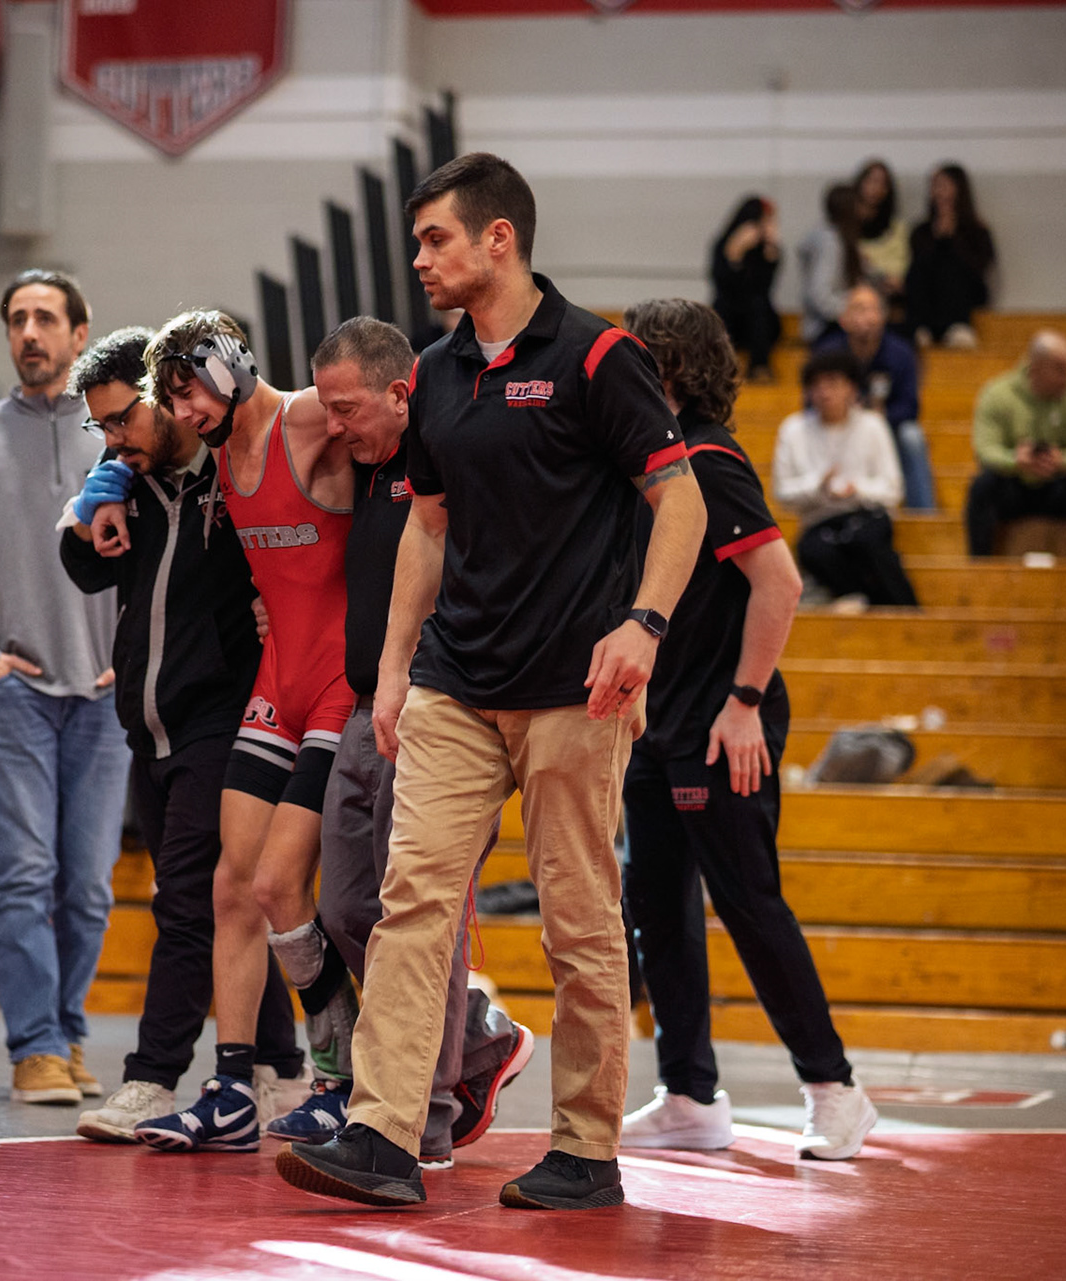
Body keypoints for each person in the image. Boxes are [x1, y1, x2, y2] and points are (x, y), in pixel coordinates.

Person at [277, 152, 707, 1211]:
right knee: (410, 901)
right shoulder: (434, 374)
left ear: (498, 239)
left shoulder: (599, 356)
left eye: (436, 239)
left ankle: (587, 1150)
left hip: (577, 691)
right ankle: (384, 1133)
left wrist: (645, 624)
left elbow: (683, 502)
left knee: (579, 919)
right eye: (418, 242)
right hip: (455, 685)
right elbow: (426, 526)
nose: (420, 260)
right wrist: (392, 671)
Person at [617, 298, 877, 1162]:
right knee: (658, 908)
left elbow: (781, 582)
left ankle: (834, 1089)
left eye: (635, 355)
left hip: (721, 721)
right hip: (659, 726)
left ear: (670, 368)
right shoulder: (650, 463)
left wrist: (745, 701)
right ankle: (689, 1096)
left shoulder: (709, 461)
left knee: (747, 901)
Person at [58, 327, 308, 1142]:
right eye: (100, 426)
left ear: (166, 400)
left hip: (223, 721)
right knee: (228, 902)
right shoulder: (127, 484)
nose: (114, 438)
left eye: (122, 419)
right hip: (150, 727)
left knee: (190, 903)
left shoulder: (232, 474)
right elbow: (85, 568)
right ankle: (283, 1069)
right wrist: (90, 504)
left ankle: (153, 1078)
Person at [128, 308, 362, 1153]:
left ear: (229, 366)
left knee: (278, 885)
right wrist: (99, 493)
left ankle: (341, 1075)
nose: (183, 412)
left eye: (188, 391)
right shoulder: (223, 455)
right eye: (172, 400)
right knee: (231, 886)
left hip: (337, 685)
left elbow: (403, 431)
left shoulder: (314, 419)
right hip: (277, 682)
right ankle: (231, 1088)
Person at [304, 316, 535, 1171]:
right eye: (327, 408)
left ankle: (424, 1114)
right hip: (367, 705)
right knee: (346, 908)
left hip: (440, 711)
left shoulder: (451, 461)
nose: (334, 426)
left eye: (347, 409)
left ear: (403, 395)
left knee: (418, 915)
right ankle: (477, 1039)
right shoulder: (364, 465)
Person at [0, 269, 130, 1105]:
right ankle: (35, 1045)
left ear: (80, 333)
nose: (30, 332)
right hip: (13, 696)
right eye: (17, 319)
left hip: (106, 699)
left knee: (88, 886)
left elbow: (155, 555)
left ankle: (68, 1032)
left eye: (45, 318)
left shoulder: (117, 431)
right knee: (24, 873)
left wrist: (135, 656)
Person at [773, 349, 919, 608]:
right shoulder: (793, 429)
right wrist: (818, 487)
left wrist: (857, 490)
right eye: (816, 385)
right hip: (819, 520)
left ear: (852, 388)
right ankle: (872, 602)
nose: (824, 393)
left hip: (866, 514)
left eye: (832, 383)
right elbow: (782, 492)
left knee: (868, 543)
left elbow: (893, 489)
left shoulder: (873, 425)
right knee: (813, 550)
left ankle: (895, 608)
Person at [965, 330, 1066, 560]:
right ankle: (978, 568)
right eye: (1060, 369)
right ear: (1037, 366)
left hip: (1058, 485)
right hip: (1013, 485)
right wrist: (1015, 460)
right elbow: (985, 450)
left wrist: (1062, 461)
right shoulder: (997, 394)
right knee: (982, 486)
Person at [814, 283, 936, 511]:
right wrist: (843, 413)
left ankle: (923, 515)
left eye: (872, 310)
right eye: (858, 309)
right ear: (843, 319)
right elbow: (811, 400)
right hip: (838, 425)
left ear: (882, 317)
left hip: (888, 425)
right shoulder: (827, 353)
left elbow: (911, 406)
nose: (866, 317)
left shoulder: (902, 352)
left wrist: (880, 416)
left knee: (912, 436)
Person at [904, 162, 995, 350]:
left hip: (962, 308)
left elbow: (979, 268)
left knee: (951, 272)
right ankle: (922, 330)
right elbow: (917, 271)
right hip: (925, 310)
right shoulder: (921, 232)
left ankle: (956, 328)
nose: (940, 192)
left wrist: (952, 239)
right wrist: (939, 238)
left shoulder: (976, 231)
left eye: (945, 185)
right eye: (935, 186)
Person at [709, 197, 782, 383]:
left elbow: (764, 288)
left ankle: (759, 367)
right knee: (722, 307)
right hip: (729, 315)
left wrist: (771, 252)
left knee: (758, 305)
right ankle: (719, 368)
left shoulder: (767, 250)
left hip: (758, 318)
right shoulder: (725, 244)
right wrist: (735, 255)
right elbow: (721, 285)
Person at [798, 184, 864, 346]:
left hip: (834, 324)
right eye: (858, 205)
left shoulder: (839, 239)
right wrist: (854, 311)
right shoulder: (830, 243)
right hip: (826, 328)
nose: (862, 211)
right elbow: (820, 295)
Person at [853, 159, 910, 302]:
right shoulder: (846, 226)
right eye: (872, 181)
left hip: (889, 295)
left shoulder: (897, 228)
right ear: (860, 183)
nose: (876, 188)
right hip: (854, 296)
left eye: (882, 183)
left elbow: (901, 266)